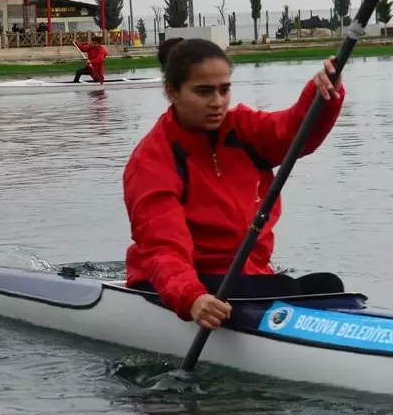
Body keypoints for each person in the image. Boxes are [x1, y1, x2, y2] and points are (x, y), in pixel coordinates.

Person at [123, 37, 346, 330]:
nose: (217, 102)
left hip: (245, 275)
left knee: (328, 286)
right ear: (172, 92)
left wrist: (323, 95)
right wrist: (192, 298)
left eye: (224, 90)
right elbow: (163, 247)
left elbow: (293, 131)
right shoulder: (151, 161)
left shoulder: (243, 127)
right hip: (176, 281)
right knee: (284, 291)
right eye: (203, 92)